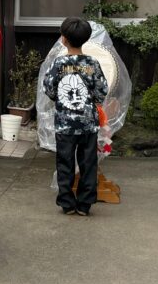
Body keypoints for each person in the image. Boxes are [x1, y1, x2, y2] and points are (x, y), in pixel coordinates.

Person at [42, 17, 108, 216]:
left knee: (65, 162)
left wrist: (61, 101)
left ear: (63, 39)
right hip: (88, 124)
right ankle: (85, 204)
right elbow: (101, 91)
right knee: (88, 163)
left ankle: (67, 203)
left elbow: (49, 88)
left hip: (65, 124)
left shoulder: (58, 63)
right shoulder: (92, 63)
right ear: (86, 39)